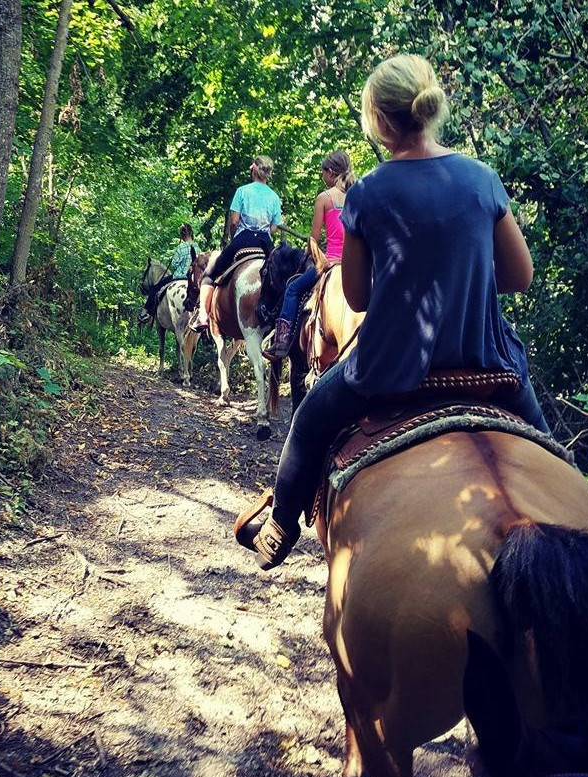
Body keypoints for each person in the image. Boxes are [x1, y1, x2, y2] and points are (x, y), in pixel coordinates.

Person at [235, 53, 550, 571]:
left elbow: (355, 298)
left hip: (387, 369)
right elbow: (520, 277)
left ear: (379, 120)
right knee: (551, 454)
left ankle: (280, 525)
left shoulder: (367, 193)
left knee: (312, 415)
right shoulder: (482, 179)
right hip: (488, 366)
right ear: (429, 108)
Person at [263, 151, 357, 360]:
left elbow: (313, 239)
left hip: (330, 262)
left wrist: (309, 253)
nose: (323, 177)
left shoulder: (324, 198)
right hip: (355, 264)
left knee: (292, 289)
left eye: (323, 173)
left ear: (330, 172)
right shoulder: (358, 195)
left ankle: (281, 342)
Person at [193, 156, 282, 331]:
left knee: (210, 274)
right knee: (279, 276)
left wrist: (235, 238)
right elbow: (274, 227)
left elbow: (234, 222)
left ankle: (203, 314)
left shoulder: (242, 191)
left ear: (254, 170)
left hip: (243, 239)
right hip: (265, 243)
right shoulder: (274, 197)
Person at [140, 223, 199, 322]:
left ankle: (145, 313)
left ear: (182, 235)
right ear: (191, 233)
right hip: (191, 277)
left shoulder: (181, 247)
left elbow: (174, 264)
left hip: (179, 276)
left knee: (155, 288)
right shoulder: (197, 247)